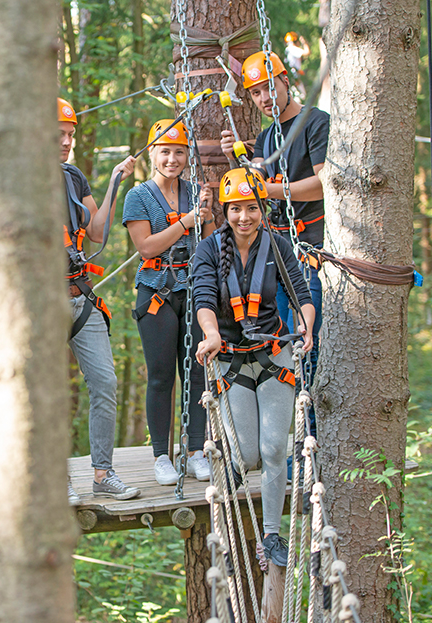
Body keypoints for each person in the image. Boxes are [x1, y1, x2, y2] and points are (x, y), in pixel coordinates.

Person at [193, 167, 315, 568]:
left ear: (262, 209)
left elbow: (301, 294)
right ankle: (227, 532)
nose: (244, 217)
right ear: (225, 211)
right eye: (236, 210)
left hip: (273, 354)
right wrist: (210, 334)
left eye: (252, 208)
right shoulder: (209, 250)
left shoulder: (277, 245)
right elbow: (205, 298)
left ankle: (272, 536)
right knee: (244, 453)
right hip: (230, 359)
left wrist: (306, 324)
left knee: (274, 448)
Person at [220, 51, 328, 445]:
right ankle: (286, 440)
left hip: (309, 249)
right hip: (278, 252)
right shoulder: (267, 135)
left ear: (286, 81)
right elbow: (261, 173)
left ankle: (310, 438)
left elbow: (322, 183)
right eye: (256, 93)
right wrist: (241, 156)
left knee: (305, 339)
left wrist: (270, 189)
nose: (265, 98)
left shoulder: (314, 123)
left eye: (269, 87)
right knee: (278, 343)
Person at [122, 119, 215, 485]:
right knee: (161, 376)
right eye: (165, 152)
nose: (172, 159)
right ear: (153, 154)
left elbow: (207, 244)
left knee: (194, 373)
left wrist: (205, 217)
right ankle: (162, 455)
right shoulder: (138, 196)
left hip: (191, 288)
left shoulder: (196, 192)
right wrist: (188, 222)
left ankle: (194, 450)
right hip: (157, 291)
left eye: (179, 152)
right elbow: (146, 246)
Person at [58, 97, 140, 503]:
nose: (66, 142)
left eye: (70, 135)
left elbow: (95, 231)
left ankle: (102, 473)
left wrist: (113, 184)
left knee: (105, 383)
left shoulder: (73, 178)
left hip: (79, 296)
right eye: (58, 134)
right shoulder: (21, 180)